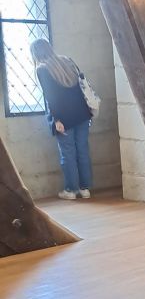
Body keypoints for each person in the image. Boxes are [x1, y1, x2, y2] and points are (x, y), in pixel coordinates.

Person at [30, 38, 93, 200]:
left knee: (68, 154)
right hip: (82, 113)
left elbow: (51, 97)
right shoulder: (67, 61)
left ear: (35, 53)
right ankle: (85, 189)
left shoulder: (42, 69)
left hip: (64, 117)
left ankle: (71, 190)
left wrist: (57, 120)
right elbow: (81, 85)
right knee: (83, 151)